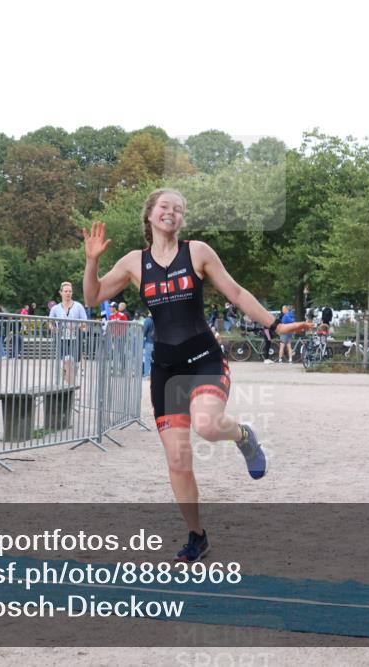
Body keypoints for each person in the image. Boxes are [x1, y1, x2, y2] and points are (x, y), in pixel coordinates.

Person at [81, 188, 309, 563]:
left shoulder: (198, 252)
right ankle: (196, 535)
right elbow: (93, 297)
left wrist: (274, 324)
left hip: (204, 358)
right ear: (150, 215)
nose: (172, 212)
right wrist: (91, 262)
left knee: (206, 425)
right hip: (166, 369)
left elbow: (235, 292)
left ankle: (243, 435)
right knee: (177, 461)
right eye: (165, 206)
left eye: (179, 209)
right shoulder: (134, 263)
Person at [50, 281, 88, 384]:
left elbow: (85, 323)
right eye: (66, 291)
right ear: (61, 292)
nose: (68, 293)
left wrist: (77, 326)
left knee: (74, 366)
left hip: (76, 339)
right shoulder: (55, 308)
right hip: (62, 340)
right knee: (68, 361)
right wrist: (54, 328)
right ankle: (69, 392)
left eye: (70, 291)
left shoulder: (78, 306)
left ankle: (66, 379)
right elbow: (50, 323)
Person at [142, 310, 155, 378]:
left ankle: (146, 374)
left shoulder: (147, 320)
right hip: (157, 342)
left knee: (147, 359)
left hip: (149, 342)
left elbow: (144, 332)